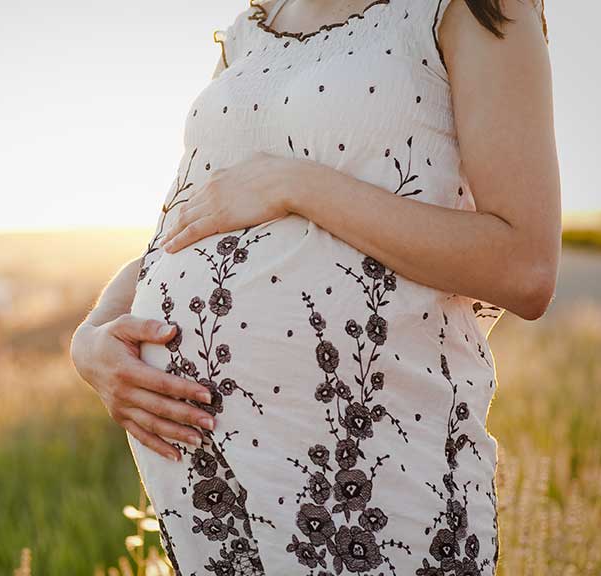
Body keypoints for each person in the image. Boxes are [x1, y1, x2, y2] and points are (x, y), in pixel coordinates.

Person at [71, 0, 559, 572]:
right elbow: (184, 228)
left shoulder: (471, 8)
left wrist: (295, 184)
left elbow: (525, 266)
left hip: (374, 479)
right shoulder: (249, 32)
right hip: (202, 481)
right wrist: (90, 339)